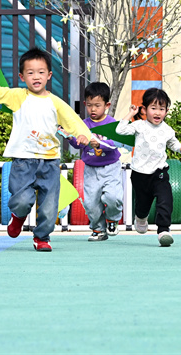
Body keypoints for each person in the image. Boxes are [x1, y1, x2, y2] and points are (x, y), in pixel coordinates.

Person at [0, 47, 90, 252]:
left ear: (49, 75)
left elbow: (72, 121)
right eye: (30, 73)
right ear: (22, 77)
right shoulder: (18, 96)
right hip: (23, 161)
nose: (36, 77)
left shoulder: (55, 102)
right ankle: (18, 217)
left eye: (41, 72)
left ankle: (42, 237)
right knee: (22, 201)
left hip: (50, 162)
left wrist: (85, 136)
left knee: (50, 206)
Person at [116, 88, 181, 247]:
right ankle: (141, 217)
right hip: (140, 173)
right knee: (143, 203)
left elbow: (173, 143)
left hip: (159, 172)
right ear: (144, 109)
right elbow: (120, 130)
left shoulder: (167, 130)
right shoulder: (139, 126)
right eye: (153, 108)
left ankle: (164, 230)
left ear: (166, 111)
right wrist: (130, 114)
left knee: (165, 199)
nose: (157, 112)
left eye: (161, 109)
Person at [67, 82, 124, 242]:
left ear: (107, 105)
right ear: (85, 103)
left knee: (113, 197)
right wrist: (70, 137)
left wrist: (99, 144)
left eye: (97, 105)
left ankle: (112, 219)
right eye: (89, 105)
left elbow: (115, 144)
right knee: (91, 203)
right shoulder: (83, 125)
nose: (93, 109)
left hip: (111, 168)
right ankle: (98, 229)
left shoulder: (111, 123)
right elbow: (78, 144)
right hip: (91, 169)